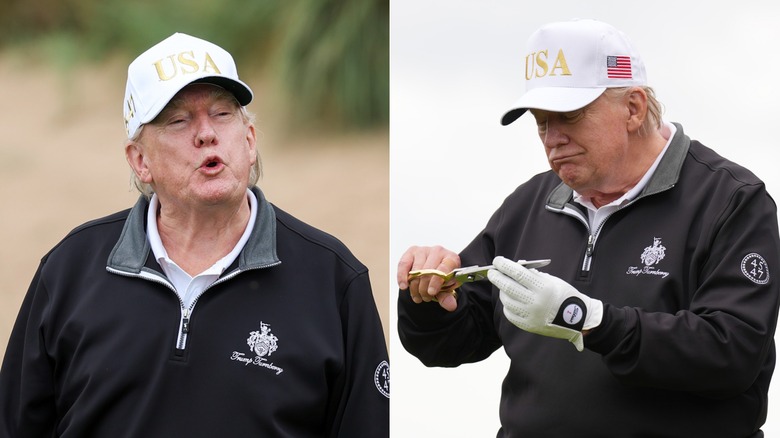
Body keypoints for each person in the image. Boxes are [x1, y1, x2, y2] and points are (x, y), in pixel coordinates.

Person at [396, 18, 779, 437]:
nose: (551, 138)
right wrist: (428, 300)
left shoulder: (730, 201)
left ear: (633, 108)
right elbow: (449, 344)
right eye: (541, 121)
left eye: (568, 116)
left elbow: (731, 354)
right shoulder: (529, 205)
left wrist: (587, 319)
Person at [0, 32, 389, 437]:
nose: (206, 134)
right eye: (179, 120)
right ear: (140, 160)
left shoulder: (333, 280)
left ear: (250, 140)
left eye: (222, 114)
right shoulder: (69, 270)